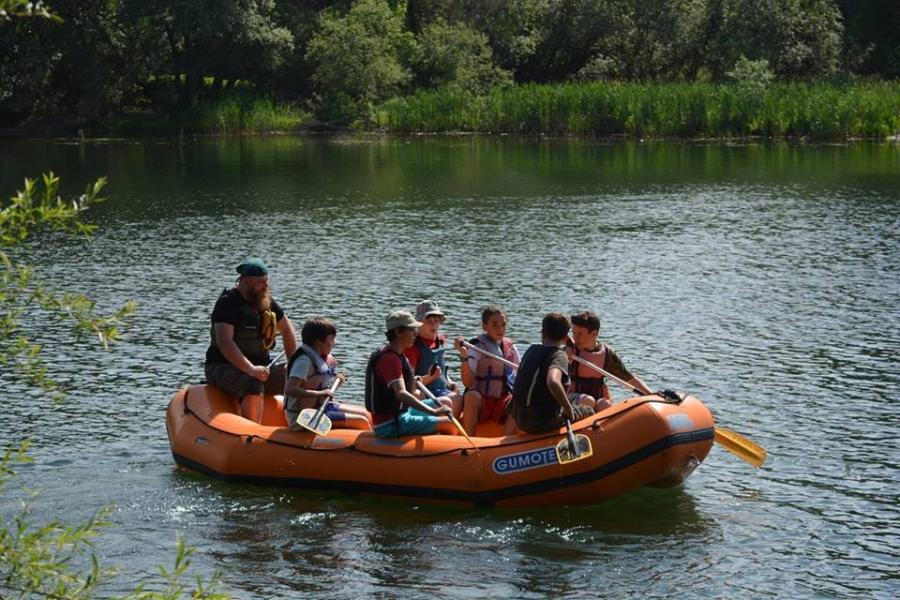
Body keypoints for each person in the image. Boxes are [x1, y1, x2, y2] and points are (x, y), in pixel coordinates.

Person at [204, 258, 297, 423]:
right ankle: (251, 431)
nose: (266, 286)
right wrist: (251, 369)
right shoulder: (227, 304)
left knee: (300, 377)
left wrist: (293, 365)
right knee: (252, 383)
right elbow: (225, 343)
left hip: (261, 368)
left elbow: (287, 330)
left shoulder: (265, 301)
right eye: (261, 282)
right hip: (222, 367)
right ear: (245, 281)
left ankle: (305, 424)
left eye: (267, 281)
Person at [365, 310, 455, 438]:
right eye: (412, 329)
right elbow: (401, 394)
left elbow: (407, 389)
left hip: (402, 413)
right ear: (398, 332)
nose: (415, 333)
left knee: (445, 402)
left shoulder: (400, 355)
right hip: (391, 424)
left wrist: (419, 379)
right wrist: (433, 411)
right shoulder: (390, 359)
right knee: (449, 424)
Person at [507, 312, 595, 434]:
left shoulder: (531, 350)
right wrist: (568, 409)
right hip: (543, 420)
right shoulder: (559, 356)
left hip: (519, 418)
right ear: (566, 338)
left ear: (543, 333)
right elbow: (553, 382)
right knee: (588, 411)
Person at [284, 317, 371, 431]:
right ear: (319, 341)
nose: (334, 343)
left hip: (321, 407)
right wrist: (320, 393)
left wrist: (335, 384)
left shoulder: (320, 358)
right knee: (361, 421)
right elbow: (290, 389)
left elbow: (320, 386)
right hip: (303, 417)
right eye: (331, 339)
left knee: (366, 414)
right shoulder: (304, 361)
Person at [453, 304, 520, 436]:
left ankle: (505, 441)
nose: (500, 329)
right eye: (495, 325)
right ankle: (470, 440)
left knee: (520, 399)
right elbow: (467, 383)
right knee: (471, 396)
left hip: (503, 400)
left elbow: (521, 375)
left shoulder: (511, 348)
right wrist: (464, 357)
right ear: (485, 327)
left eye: (503, 325)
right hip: (482, 400)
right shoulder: (476, 347)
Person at [567, 310, 652, 409]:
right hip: (573, 397)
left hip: (598, 397)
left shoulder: (607, 353)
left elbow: (629, 378)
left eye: (580, 333)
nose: (575, 337)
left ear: (594, 334)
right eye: (574, 332)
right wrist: (565, 357)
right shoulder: (569, 348)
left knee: (605, 404)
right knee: (588, 401)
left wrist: (651, 394)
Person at [403, 300, 462, 417]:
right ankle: (435, 423)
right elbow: (409, 383)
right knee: (418, 394)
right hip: (424, 392)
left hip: (440, 390)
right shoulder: (412, 347)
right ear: (419, 323)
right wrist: (430, 377)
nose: (434, 324)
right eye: (429, 321)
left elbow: (442, 370)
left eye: (436, 320)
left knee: (458, 397)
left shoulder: (440, 340)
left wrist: (449, 382)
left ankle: (448, 425)